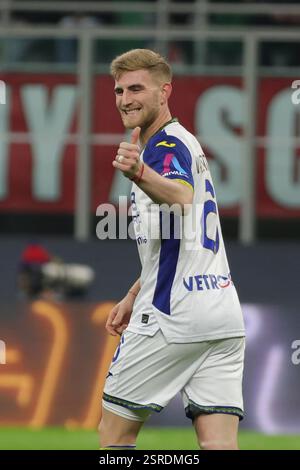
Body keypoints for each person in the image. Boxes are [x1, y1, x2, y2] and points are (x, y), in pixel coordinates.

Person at [99, 49, 245, 450]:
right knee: (218, 443)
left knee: (114, 437)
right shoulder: (187, 142)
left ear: (165, 92)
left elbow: (179, 198)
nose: (125, 99)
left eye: (136, 89)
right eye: (119, 90)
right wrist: (133, 293)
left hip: (171, 316)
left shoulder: (163, 148)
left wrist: (139, 171)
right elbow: (180, 236)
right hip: (222, 315)